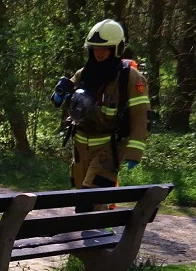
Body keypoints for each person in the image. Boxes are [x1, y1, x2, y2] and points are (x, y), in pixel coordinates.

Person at [50, 19, 150, 211]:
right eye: (95, 48)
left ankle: (101, 233)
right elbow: (60, 98)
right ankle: (101, 231)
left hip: (107, 149)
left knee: (90, 200)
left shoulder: (130, 77)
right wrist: (59, 94)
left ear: (116, 49)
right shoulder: (84, 73)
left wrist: (134, 151)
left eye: (105, 48)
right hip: (80, 147)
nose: (99, 52)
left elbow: (140, 115)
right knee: (82, 200)